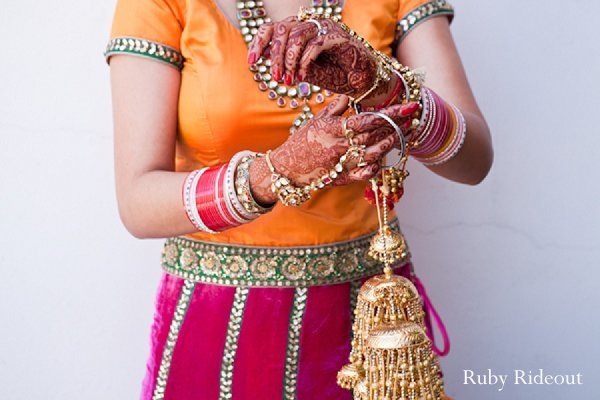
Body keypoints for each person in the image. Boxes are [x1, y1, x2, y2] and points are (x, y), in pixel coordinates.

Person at [104, 0, 493, 398]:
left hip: (371, 327)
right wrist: (276, 172)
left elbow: (475, 161)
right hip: (218, 325)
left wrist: (385, 86)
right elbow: (138, 202)